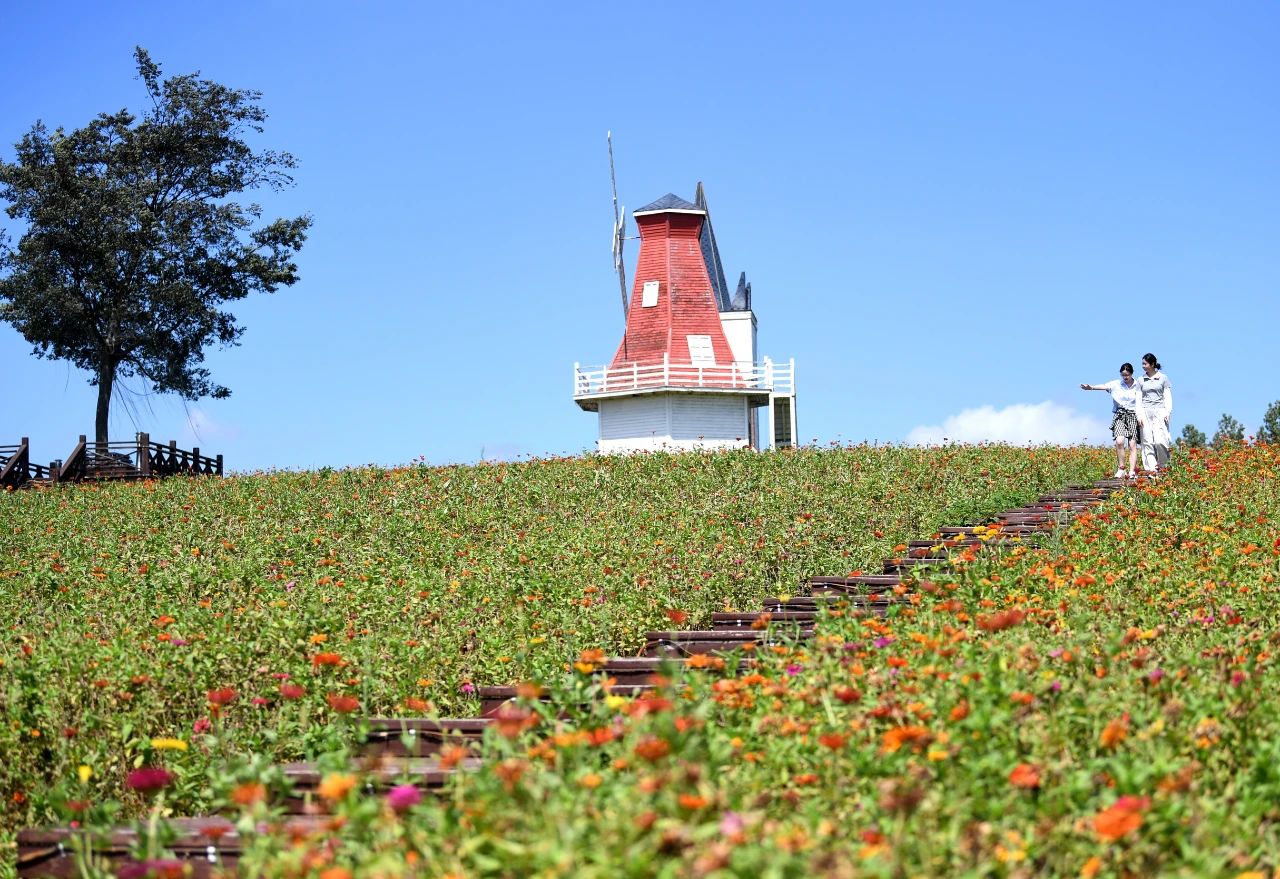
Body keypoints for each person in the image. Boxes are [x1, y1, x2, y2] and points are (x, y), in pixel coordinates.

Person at [1081, 363, 1140, 479]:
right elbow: (1104, 386)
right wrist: (1091, 387)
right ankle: (1122, 468)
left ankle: (1132, 471)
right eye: (1123, 375)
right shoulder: (1116, 384)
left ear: (1132, 373)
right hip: (1120, 414)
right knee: (1119, 441)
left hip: (1133, 415)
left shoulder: (1138, 385)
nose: (1125, 377)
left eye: (1127, 375)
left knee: (1132, 444)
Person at [1135, 353, 1173, 477]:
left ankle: (1162, 465)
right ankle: (1152, 469)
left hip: (1160, 411)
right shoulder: (1141, 380)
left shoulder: (1163, 378)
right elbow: (1138, 399)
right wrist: (1139, 415)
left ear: (1152, 364)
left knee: (1160, 441)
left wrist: (1167, 412)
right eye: (1142, 364)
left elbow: (1167, 396)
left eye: (1145, 364)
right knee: (1147, 441)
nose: (1143, 366)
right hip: (1145, 411)